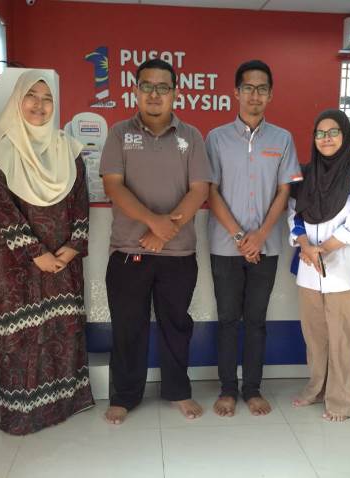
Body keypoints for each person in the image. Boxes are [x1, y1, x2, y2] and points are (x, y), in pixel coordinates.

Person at [0, 70, 93, 435]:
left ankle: (65, 404)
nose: (40, 105)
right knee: (22, 340)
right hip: (15, 266)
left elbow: (81, 202)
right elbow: (1, 209)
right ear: (17, 100)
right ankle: (25, 415)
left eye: (47, 99)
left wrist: (71, 249)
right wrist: (36, 253)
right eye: (32, 96)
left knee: (62, 332)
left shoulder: (68, 148)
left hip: (63, 263)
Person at [100, 58, 210, 425]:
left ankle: (178, 391)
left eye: (163, 87)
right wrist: (153, 223)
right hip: (128, 249)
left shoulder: (191, 136)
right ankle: (124, 396)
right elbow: (113, 186)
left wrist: (165, 231)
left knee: (176, 325)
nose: (154, 94)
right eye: (146, 86)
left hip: (178, 252)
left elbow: (199, 190)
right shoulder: (119, 133)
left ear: (175, 93)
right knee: (127, 326)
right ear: (135, 90)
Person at [206, 60, 302, 417]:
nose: (254, 95)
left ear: (270, 95)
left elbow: (284, 191)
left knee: (257, 320)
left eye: (262, 89)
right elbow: (210, 191)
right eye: (248, 88)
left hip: (267, 245)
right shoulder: (216, 138)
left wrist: (260, 235)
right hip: (224, 245)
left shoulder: (282, 139)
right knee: (228, 319)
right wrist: (239, 235)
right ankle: (227, 389)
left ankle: (252, 389)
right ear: (236, 92)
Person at [289, 109, 350, 421]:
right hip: (309, 267)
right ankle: (317, 387)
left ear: (345, 135)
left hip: (346, 269)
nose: (326, 138)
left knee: (343, 338)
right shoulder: (306, 173)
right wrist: (306, 245)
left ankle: (341, 400)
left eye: (333, 132)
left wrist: (323, 249)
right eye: (320, 133)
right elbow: (294, 213)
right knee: (315, 336)